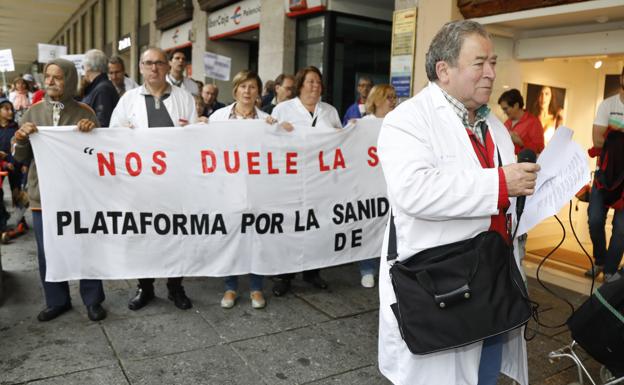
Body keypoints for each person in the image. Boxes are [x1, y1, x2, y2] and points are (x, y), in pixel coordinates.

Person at [377, 20, 539, 385]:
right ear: (444, 70)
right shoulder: (408, 120)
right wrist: (501, 182)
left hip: (494, 281)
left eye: (493, 63)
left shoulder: (494, 126)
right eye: (480, 63)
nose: (491, 73)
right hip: (442, 283)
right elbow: (413, 191)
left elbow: (502, 194)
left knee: (485, 374)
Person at [12, 58, 107, 322]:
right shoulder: (32, 113)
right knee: (47, 250)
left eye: (57, 77)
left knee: (85, 246)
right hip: (42, 197)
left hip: (77, 196)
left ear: (70, 80)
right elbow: (20, 157)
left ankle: (93, 300)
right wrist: (20, 138)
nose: (51, 81)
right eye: (48, 76)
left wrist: (92, 133)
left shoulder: (85, 112)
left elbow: (98, 154)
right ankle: (57, 300)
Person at [109, 47, 196, 311]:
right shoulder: (128, 100)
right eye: (149, 63)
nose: (154, 68)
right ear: (140, 68)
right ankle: (144, 287)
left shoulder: (184, 98)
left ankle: (175, 287)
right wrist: (124, 134)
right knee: (143, 234)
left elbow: (195, 138)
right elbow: (113, 135)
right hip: (141, 184)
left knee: (176, 234)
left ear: (168, 66)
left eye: (159, 63)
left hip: (175, 183)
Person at [270, 66, 342, 296]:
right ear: (300, 85)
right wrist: (278, 129)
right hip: (290, 179)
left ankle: (312, 272)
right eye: (310, 82)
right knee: (290, 225)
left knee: (316, 224)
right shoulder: (283, 109)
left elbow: (341, 141)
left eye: (318, 83)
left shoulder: (329, 111)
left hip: (319, 179)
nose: (315, 86)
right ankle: (284, 276)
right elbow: (268, 138)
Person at [209, 70, 277, 309]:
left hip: (257, 189)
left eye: (252, 87)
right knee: (231, 237)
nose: (247, 91)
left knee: (256, 238)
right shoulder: (218, 117)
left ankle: (256, 288)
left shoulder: (266, 120)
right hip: (227, 188)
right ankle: (230, 287)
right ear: (235, 90)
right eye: (243, 86)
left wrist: (279, 129)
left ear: (258, 92)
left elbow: (279, 151)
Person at [354, 84, 397, 288]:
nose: (393, 100)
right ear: (376, 100)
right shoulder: (364, 124)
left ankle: (388, 266)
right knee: (369, 225)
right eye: (388, 97)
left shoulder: (399, 122)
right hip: (369, 185)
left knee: (390, 227)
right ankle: (367, 269)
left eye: (394, 96)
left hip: (391, 184)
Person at [586, 67, 624, 280]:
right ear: (621, 78)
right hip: (604, 174)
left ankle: (610, 271)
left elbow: (606, 138)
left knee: (621, 228)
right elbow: (597, 140)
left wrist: (614, 136)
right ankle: (600, 260)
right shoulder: (608, 105)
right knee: (594, 219)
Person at [498, 89, 544, 155]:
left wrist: (520, 142)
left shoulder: (533, 122)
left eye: (506, 109)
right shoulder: (506, 123)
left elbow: (540, 150)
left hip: (524, 164)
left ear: (516, 105)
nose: (504, 112)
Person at [82, 49, 119, 127]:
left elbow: (102, 122)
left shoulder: (103, 90)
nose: (83, 71)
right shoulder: (100, 87)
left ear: (88, 68)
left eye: (83, 67)